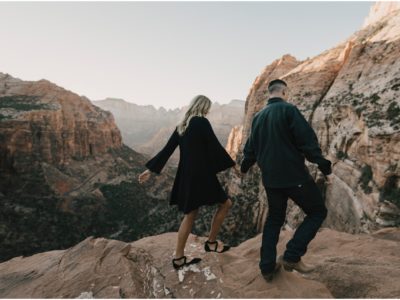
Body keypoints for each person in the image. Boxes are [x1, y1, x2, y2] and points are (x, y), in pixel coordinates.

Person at [240, 79, 332, 282]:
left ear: (269, 93)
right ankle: (291, 256)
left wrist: (244, 167)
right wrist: (324, 166)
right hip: (294, 177)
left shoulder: (257, 117)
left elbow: (250, 149)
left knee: (274, 220)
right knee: (317, 212)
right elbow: (307, 142)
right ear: (284, 92)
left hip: (271, 180)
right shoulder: (289, 110)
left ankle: (266, 267)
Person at [138, 95, 236, 270]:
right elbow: (215, 147)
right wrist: (232, 166)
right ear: (204, 107)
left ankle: (178, 257)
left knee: (190, 214)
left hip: (186, 175)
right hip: (203, 175)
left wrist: (150, 170)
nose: (209, 111)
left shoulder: (181, 126)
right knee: (226, 203)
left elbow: (167, 150)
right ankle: (211, 243)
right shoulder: (202, 122)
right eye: (208, 107)